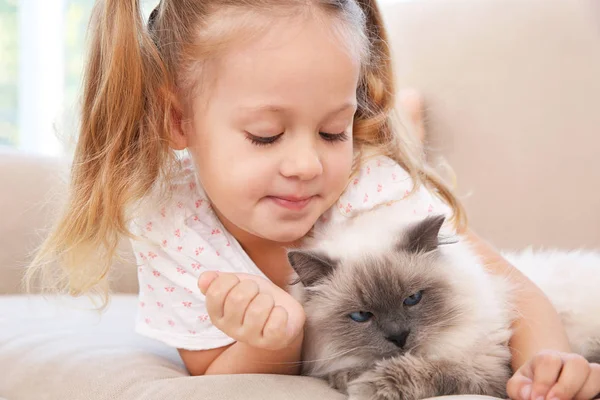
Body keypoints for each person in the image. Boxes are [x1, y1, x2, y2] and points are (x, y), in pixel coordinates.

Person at [27, 0, 600, 398]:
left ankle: (401, 124)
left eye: (332, 131)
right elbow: (209, 376)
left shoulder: (368, 186)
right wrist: (270, 342)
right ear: (179, 121)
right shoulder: (174, 226)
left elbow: (509, 288)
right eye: (266, 136)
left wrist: (548, 364)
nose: (305, 165)